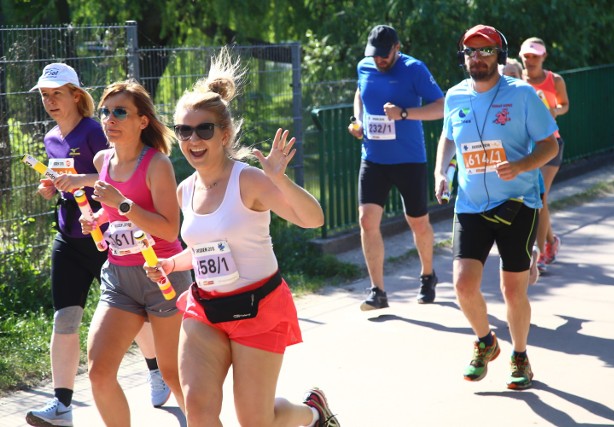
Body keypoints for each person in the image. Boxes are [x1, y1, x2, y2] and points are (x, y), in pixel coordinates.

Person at [143, 48, 338, 427]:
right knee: (198, 411)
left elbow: (312, 219)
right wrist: (170, 263)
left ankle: (313, 413)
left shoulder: (248, 180)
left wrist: (279, 179)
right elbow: (202, 251)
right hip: (206, 310)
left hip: (258, 309)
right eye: (184, 130)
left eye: (204, 129)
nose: (193, 139)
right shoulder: (186, 189)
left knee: (256, 421)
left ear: (225, 133)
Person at [25, 64, 171, 427]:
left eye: (56, 93)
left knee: (134, 319)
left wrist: (80, 181)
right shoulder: (51, 137)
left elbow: (115, 172)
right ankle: (62, 406)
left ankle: (158, 372)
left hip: (109, 238)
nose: (50, 101)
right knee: (65, 318)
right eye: (44, 95)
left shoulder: (97, 132)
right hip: (71, 237)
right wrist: (52, 187)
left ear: (76, 94)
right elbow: (63, 180)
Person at [434, 25, 558, 390]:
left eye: (486, 51)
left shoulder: (521, 95)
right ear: (463, 58)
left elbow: (549, 145)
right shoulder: (455, 96)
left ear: (500, 56)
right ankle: (486, 342)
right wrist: (442, 171)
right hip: (470, 204)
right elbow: (448, 136)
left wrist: (521, 166)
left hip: (517, 203)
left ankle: (520, 355)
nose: (477, 58)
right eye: (471, 52)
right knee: (463, 284)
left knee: (512, 289)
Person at [80, 79, 191, 427]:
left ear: (142, 120)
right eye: (105, 112)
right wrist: (97, 219)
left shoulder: (157, 164)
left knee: (174, 375)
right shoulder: (102, 160)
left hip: (164, 275)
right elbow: (113, 215)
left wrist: (121, 204)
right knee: (98, 372)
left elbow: (170, 229)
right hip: (119, 279)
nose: (109, 119)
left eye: (120, 112)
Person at [347, 24, 445, 310]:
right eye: (374, 55)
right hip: (373, 158)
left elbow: (441, 106)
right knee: (366, 221)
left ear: (397, 48)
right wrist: (358, 121)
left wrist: (404, 113)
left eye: (384, 55)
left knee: (417, 221)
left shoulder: (414, 69)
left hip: (409, 159)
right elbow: (360, 94)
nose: (379, 60)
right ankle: (377, 290)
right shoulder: (364, 66)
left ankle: (428, 274)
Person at [520, 37, 570, 273]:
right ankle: (551, 242)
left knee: (540, 197)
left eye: (535, 56)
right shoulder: (515, 80)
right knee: (538, 199)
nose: (530, 61)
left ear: (544, 57)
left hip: (551, 144)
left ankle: (539, 254)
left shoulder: (554, 80)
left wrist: (554, 111)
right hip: (525, 145)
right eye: (526, 56)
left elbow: (565, 104)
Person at [499, 58, 541, 285]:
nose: (508, 79)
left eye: (513, 75)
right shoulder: (492, 102)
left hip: (529, 176)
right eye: (504, 74)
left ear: (521, 77)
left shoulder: (528, 98)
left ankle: (533, 251)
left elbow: (546, 139)